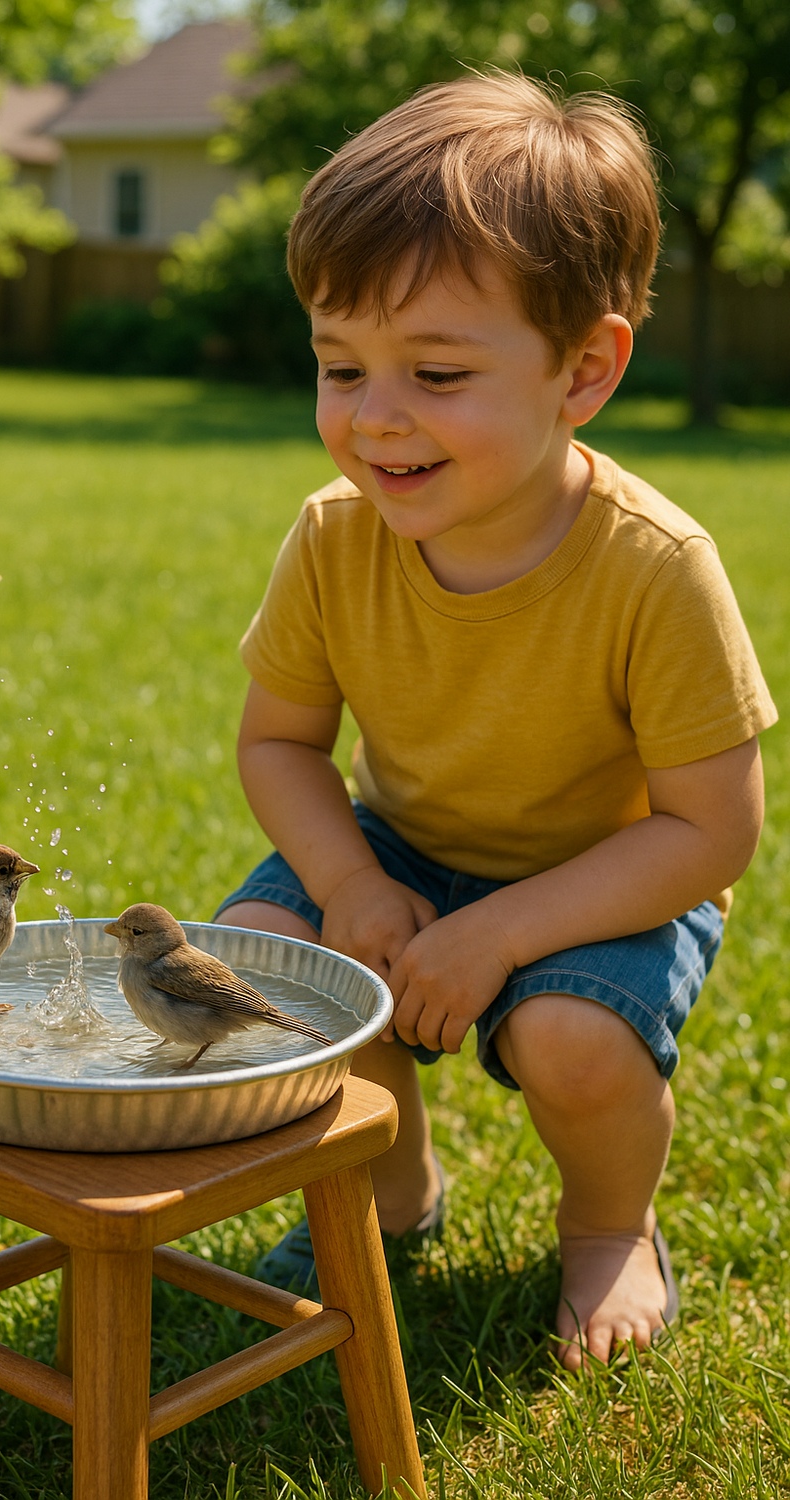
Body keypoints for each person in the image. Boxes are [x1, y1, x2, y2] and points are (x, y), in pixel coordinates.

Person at [215, 71, 777, 1370]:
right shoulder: (333, 538)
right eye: (340, 364)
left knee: (571, 1039)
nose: (376, 416)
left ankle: (609, 1232)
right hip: (405, 843)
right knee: (268, 968)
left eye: (438, 372)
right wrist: (350, 883)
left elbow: (711, 832)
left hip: (603, 877)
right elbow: (279, 743)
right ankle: (389, 1190)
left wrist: (501, 933)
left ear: (584, 369)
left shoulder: (655, 565)